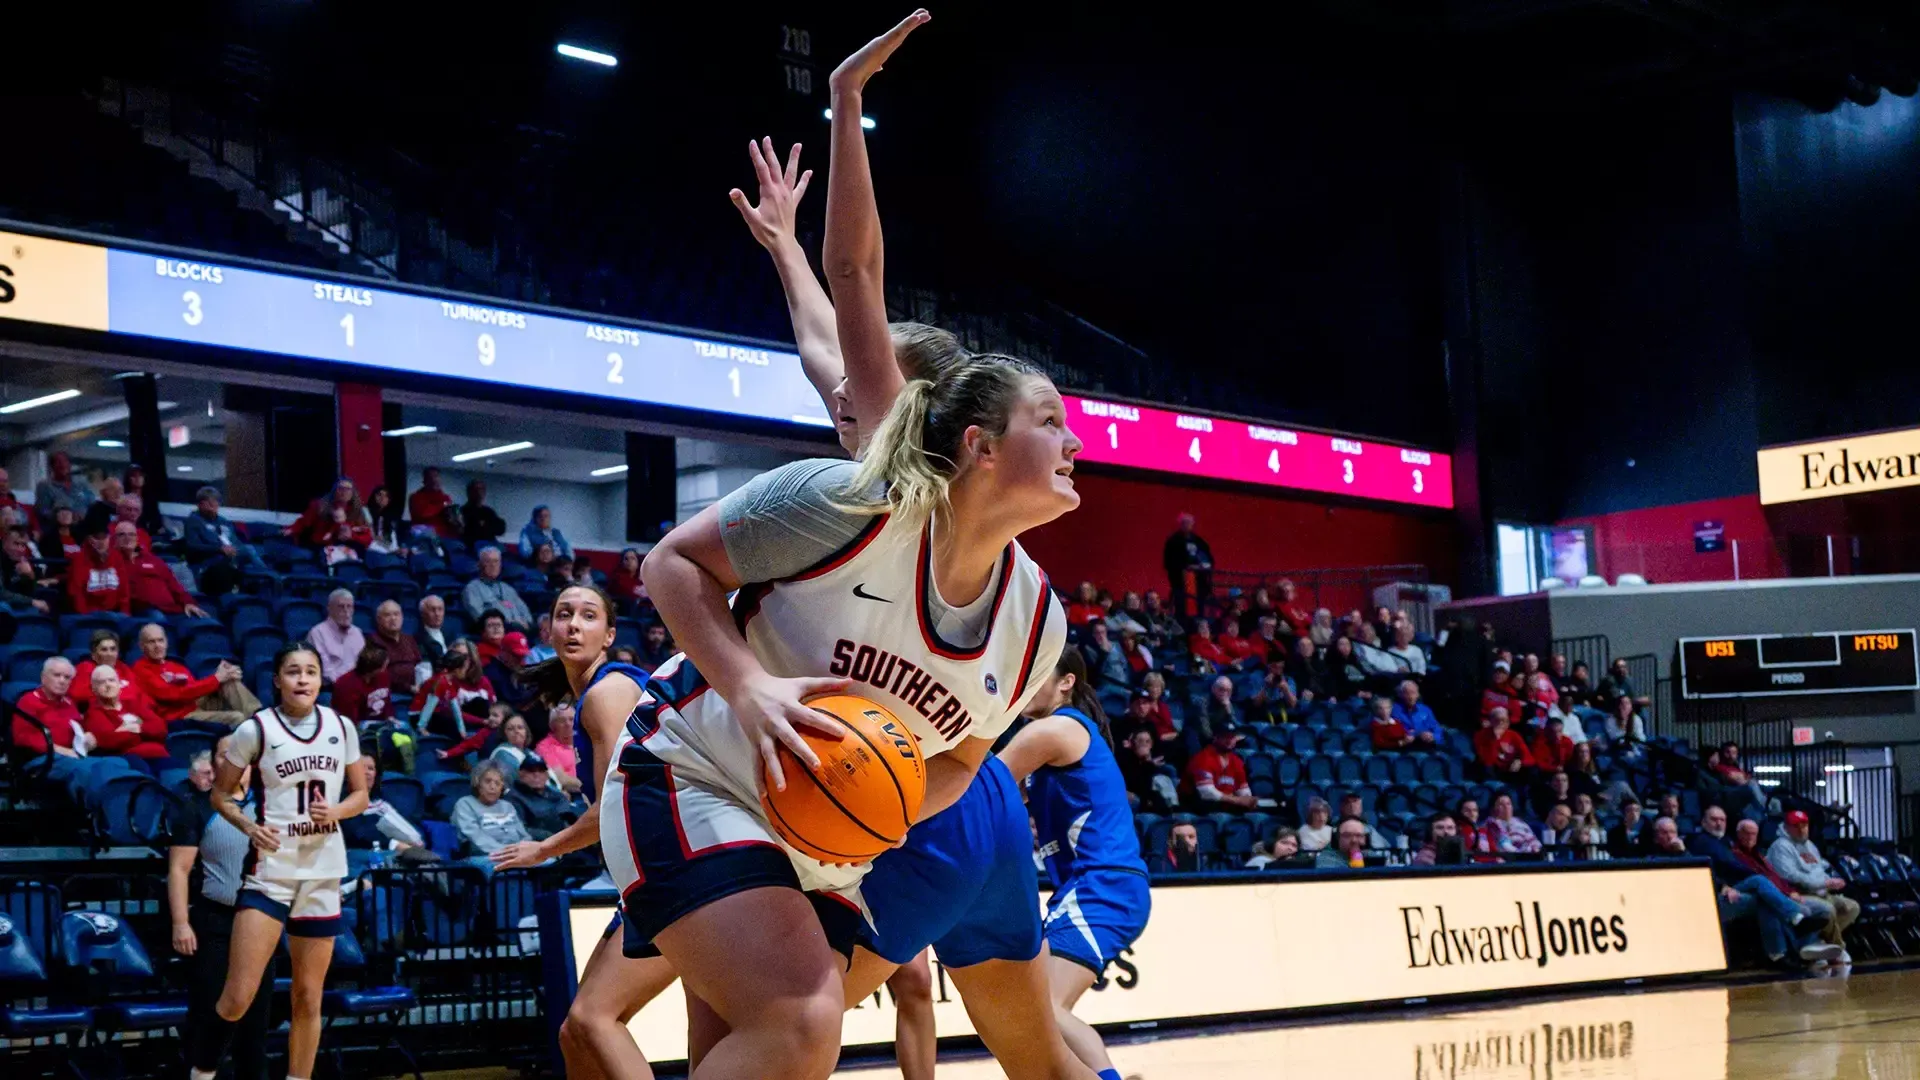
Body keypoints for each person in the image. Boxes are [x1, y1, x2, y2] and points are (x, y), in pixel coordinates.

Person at [187, 642, 369, 1080]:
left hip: (323, 870)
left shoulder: (342, 726)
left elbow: (361, 795)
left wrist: (339, 810)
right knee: (237, 995)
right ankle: (202, 1072)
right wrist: (250, 828)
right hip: (271, 870)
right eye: (293, 671)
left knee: (309, 997)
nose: (302, 679)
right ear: (277, 680)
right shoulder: (256, 730)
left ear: (321, 679)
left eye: (310, 671)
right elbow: (220, 795)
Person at [998, 649, 1151, 1080]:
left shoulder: (1057, 730)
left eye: (1037, 674)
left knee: (1042, 1007)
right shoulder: (1050, 744)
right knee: (1035, 1011)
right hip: (1092, 887)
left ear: (1066, 683)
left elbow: (982, 788)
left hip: (1102, 885)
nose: (1024, 683)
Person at [167, 747, 273, 1080]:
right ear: (216, 763)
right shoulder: (199, 806)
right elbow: (179, 870)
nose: (234, 759)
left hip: (260, 921)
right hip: (215, 921)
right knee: (208, 1013)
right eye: (226, 753)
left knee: (256, 1020)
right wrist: (181, 923)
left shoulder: (269, 805)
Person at [10, 656, 137, 806]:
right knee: (88, 769)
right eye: (57, 675)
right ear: (43, 677)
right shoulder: (28, 701)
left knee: (119, 763)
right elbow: (23, 738)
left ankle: (121, 814)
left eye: (67, 677)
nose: (62, 680)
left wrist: (87, 738)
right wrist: (60, 750)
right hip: (42, 760)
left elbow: (78, 731)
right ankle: (93, 813)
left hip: (73, 756)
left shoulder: (69, 703)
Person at [131, 622, 260, 728]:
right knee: (237, 717)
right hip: (177, 716)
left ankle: (260, 718)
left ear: (166, 642)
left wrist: (224, 675)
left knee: (229, 680)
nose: (157, 646)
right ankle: (258, 732)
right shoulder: (140, 669)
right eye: (151, 642)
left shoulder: (176, 666)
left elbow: (193, 688)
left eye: (160, 640)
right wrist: (215, 679)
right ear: (142, 646)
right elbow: (172, 695)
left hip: (194, 704)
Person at [1768, 809, 1858, 960]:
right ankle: (1838, 950)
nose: (1802, 829)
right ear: (1787, 827)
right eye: (1796, 826)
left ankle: (1816, 941)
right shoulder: (1780, 846)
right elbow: (1790, 876)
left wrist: (1831, 881)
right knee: (1828, 909)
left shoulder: (1810, 845)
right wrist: (1824, 883)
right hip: (1797, 894)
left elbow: (1819, 869)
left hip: (1821, 891)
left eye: (1804, 825)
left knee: (1852, 907)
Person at [181, 487, 266, 595]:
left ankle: (264, 576)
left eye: (216, 505)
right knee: (225, 570)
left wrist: (234, 549)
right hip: (208, 564)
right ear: (201, 504)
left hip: (230, 560)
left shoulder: (223, 521)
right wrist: (219, 549)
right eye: (211, 505)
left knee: (249, 549)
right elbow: (193, 546)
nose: (214, 509)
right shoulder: (193, 521)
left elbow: (236, 541)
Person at [115, 520, 208, 616]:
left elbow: (174, 585)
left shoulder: (153, 560)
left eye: (131, 534)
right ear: (115, 539)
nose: (128, 538)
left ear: (137, 538)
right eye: (122, 535)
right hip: (144, 611)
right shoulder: (112, 562)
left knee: (205, 623)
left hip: (173, 609)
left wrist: (188, 603)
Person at [82, 663, 169, 763]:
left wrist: (137, 728)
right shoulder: (93, 714)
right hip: (128, 761)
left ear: (119, 684)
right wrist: (143, 732)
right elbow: (110, 742)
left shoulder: (134, 704)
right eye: (101, 682)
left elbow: (160, 728)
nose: (108, 685)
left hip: (160, 755)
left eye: (112, 680)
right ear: (94, 689)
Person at [453, 760, 533, 865]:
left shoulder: (507, 806)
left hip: (515, 856)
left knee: (551, 863)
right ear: (478, 783)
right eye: (487, 781)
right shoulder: (465, 804)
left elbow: (524, 835)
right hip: (484, 857)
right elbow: (476, 839)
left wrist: (527, 850)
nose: (492, 787)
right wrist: (509, 853)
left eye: (497, 783)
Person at [412, 641, 496, 739]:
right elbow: (431, 706)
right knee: (453, 726)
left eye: (465, 657)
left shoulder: (452, 682)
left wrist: (463, 729)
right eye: (457, 657)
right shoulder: (440, 681)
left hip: (442, 713)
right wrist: (421, 726)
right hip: (421, 715)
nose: (464, 663)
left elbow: (455, 709)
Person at [66, 503, 130, 613]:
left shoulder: (116, 557)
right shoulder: (79, 559)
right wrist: (85, 617)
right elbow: (76, 593)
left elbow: (124, 592)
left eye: (104, 537)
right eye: (96, 538)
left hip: (115, 615)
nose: (101, 542)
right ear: (88, 538)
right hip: (90, 615)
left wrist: (125, 615)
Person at [1183, 720, 1256, 810]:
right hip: (1198, 806)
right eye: (1225, 737)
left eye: (1232, 737)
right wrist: (1236, 800)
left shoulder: (1236, 761)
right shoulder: (1203, 758)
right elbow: (1207, 793)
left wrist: (1247, 799)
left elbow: (1242, 788)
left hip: (1224, 804)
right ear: (1215, 738)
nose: (1229, 740)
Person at [287, 478, 373, 553]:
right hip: (322, 545)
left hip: (348, 546)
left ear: (353, 493)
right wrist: (291, 530)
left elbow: (367, 537)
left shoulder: (357, 512)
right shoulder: (319, 506)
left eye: (348, 489)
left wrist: (352, 536)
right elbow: (303, 522)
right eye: (340, 488)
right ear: (335, 491)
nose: (344, 492)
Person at [73, 628, 144, 712]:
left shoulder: (124, 668)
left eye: (113, 649)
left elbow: (140, 695)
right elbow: (79, 696)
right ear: (93, 654)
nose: (109, 654)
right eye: (104, 650)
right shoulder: (85, 669)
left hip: (133, 714)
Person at [463, 545, 534, 629]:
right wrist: (508, 624)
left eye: (496, 561)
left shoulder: (508, 589)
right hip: (496, 632)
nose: (493, 565)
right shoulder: (472, 589)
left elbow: (527, 616)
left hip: (520, 632)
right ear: (479, 565)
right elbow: (479, 617)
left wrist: (525, 623)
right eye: (488, 561)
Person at [506, 754, 573, 839]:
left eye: (541, 770)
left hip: (565, 840)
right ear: (521, 774)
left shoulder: (554, 794)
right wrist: (550, 837)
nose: (536, 774)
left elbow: (567, 816)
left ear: (546, 775)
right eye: (531, 770)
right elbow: (519, 830)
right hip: (538, 845)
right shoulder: (513, 797)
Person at [364, 600, 422, 699]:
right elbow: (378, 674)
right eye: (387, 615)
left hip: (416, 690)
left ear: (402, 617)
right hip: (390, 693)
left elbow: (420, 665)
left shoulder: (409, 639)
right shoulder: (373, 641)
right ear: (378, 619)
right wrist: (408, 688)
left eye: (396, 614)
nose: (393, 618)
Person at [1161, 512, 1212, 622]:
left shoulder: (1199, 541)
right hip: (1181, 583)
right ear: (1180, 524)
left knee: (1200, 612)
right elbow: (1169, 562)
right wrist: (1185, 567)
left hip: (1199, 585)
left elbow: (1209, 560)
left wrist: (1202, 567)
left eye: (1190, 522)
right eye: (1185, 522)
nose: (1188, 525)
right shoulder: (1173, 541)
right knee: (1181, 612)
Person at [309, 588, 366, 684]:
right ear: (329, 608)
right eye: (341, 606)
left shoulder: (357, 633)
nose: (346, 611)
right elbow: (325, 674)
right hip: (332, 688)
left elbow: (365, 666)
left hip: (358, 686)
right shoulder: (318, 633)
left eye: (349, 607)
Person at [330, 642, 393, 723]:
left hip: (381, 722)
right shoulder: (345, 684)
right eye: (385, 665)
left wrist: (390, 716)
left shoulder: (384, 676)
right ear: (377, 668)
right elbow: (348, 718)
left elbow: (387, 701)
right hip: (356, 725)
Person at [34, 450, 97, 521]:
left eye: (65, 461)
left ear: (70, 464)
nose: (63, 465)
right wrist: (61, 516)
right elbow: (42, 511)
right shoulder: (45, 486)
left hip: (86, 526)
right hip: (59, 527)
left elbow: (93, 503)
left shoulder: (82, 483)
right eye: (58, 462)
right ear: (52, 466)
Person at [1474, 707, 1534, 778]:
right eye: (1497, 720)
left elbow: (1529, 758)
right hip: (1490, 770)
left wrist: (1520, 761)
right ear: (1491, 721)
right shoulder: (1481, 734)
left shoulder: (1514, 735)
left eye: (1504, 720)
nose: (1501, 723)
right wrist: (1495, 738)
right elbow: (1486, 759)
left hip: (1509, 771)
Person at [1390, 680, 1442, 747]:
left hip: (1428, 744)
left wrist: (1433, 737)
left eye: (1413, 693)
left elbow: (1436, 727)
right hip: (1406, 746)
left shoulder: (1425, 709)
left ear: (1418, 694)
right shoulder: (1393, 710)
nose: (1411, 697)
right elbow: (1395, 730)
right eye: (1407, 693)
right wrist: (1418, 734)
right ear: (1400, 694)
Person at [408, 467, 457, 538]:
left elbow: (450, 518)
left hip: (444, 536)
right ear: (424, 481)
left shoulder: (445, 497)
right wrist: (443, 505)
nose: (434, 480)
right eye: (430, 478)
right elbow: (424, 513)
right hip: (423, 535)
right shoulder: (415, 497)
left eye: (436, 476)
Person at [460, 479, 508, 547]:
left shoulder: (489, 512)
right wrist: (486, 526)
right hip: (472, 547)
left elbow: (500, 530)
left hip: (491, 546)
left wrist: (484, 525)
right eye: (476, 489)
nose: (479, 492)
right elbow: (470, 531)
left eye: (482, 489)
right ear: (468, 492)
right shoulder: (462, 511)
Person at [415, 593, 451, 672]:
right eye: (432, 610)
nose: (437, 614)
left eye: (440, 609)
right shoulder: (418, 640)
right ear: (423, 614)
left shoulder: (450, 634)